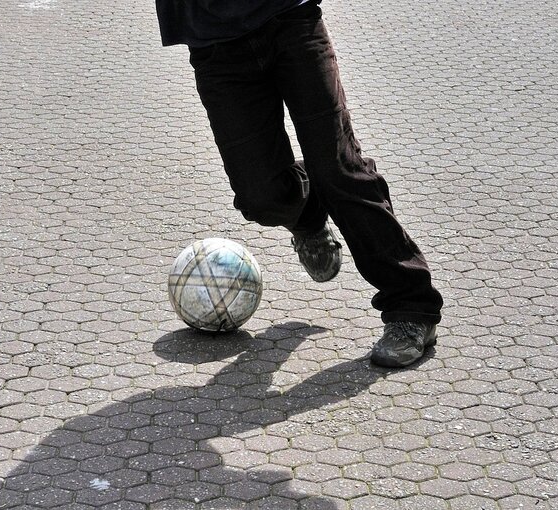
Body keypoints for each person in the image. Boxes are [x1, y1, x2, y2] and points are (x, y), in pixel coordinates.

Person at [155, 0, 444, 367]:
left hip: (291, 19)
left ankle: (413, 309)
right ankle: (308, 214)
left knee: (340, 171)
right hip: (213, 41)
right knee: (261, 197)